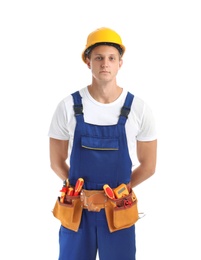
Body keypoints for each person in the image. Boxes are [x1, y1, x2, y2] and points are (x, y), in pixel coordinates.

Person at [48, 27, 157, 260]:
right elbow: (56, 162)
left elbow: (148, 166)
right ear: (88, 62)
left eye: (111, 58)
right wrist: (81, 191)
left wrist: (121, 191)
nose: (105, 63)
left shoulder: (139, 109)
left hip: (118, 213)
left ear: (120, 63)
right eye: (98, 57)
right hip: (77, 213)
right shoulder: (67, 106)